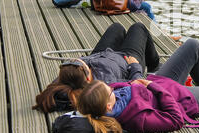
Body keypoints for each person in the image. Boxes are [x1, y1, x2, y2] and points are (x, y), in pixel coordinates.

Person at [66, 39, 199, 133]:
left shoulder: (109, 96)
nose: (113, 88)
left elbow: (129, 83)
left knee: (192, 46)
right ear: (108, 106)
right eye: (110, 91)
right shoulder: (137, 118)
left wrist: (137, 72)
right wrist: (152, 86)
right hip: (182, 100)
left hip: (161, 82)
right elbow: (175, 120)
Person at [32, 22, 160, 113]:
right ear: (88, 78)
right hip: (126, 60)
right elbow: (137, 85)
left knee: (117, 27)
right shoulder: (106, 85)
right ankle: (155, 66)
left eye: (81, 61)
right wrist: (135, 66)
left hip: (102, 55)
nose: (83, 61)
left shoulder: (68, 80)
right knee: (138, 27)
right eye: (85, 65)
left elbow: (57, 89)